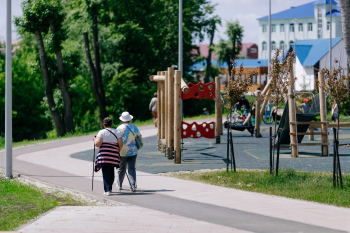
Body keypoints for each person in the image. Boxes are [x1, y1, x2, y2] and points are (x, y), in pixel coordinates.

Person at [93, 117, 123, 196]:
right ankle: (109, 187)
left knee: (106, 172)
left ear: (104, 124)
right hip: (113, 154)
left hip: (104, 155)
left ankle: (107, 190)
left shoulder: (101, 132)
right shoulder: (117, 132)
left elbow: (98, 144)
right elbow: (120, 144)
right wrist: (117, 151)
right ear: (111, 124)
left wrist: (94, 140)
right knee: (111, 171)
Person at [116, 112, 142, 192]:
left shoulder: (119, 128)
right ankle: (133, 186)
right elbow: (140, 138)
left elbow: (117, 139)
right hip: (133, 151)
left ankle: (119, 184)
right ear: (129, 119)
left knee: (121, 168)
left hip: (122, 151)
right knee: (131, 169)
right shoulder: (134, 127)